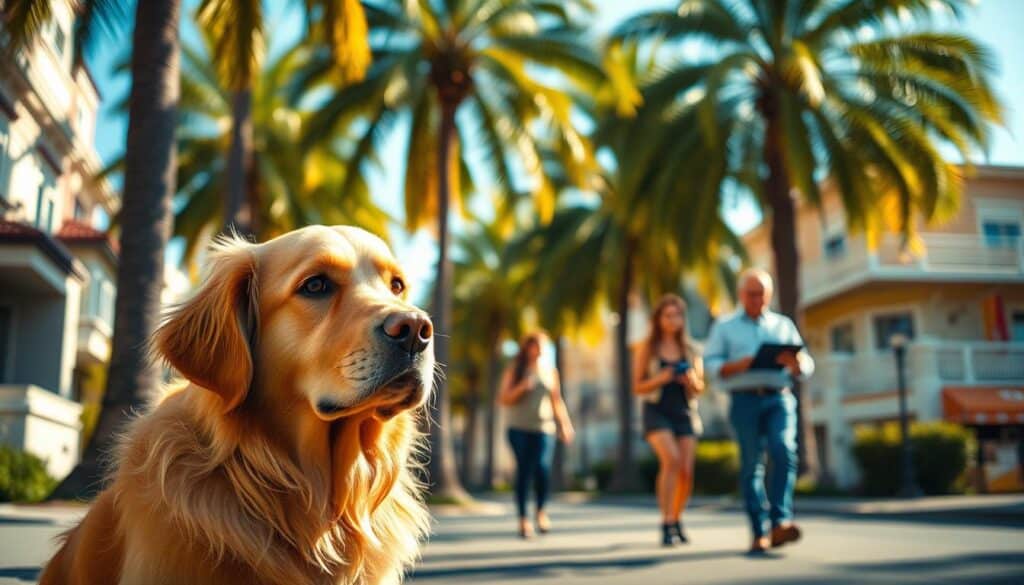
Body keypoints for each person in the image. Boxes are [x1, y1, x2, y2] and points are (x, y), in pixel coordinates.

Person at [704, 269, 815, 554]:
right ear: (741, 295)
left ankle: (781, 521)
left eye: (763, 295)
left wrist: (797, 365)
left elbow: (805, 363)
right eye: (752, 294)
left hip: (780, 398)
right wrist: (740, 364)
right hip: (744, 400)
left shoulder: (783, 324)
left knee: (783, 450)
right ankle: (758, 531)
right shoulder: (725, 327)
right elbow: (710, 364)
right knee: (752, 464)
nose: (757, 300)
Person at [633, 294, 705, 546]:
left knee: (685, 471)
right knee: (671, 460)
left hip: (684, 411)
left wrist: (690, 381)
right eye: (668, 315)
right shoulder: (647, 348)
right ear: (658, 319)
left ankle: (677, 517)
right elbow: (638, 386)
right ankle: (665, 521)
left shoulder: (691, 349)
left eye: (677, 315)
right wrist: (660, 378)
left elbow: (699, 387)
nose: (673, 320)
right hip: (657, 410)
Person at [499, 332, 575, 539]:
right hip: (518, 427)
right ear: (528, 347)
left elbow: (556, 401)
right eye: (537, 344)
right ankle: (523, 520)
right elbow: (504, 398)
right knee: (524, 471)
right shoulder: (516, 369)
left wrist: (565, 425)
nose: (540, 348)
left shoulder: (550, 371)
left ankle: (541, 512)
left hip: (544, 428)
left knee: (542, 469)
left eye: (543, 344)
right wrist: (522, 387)